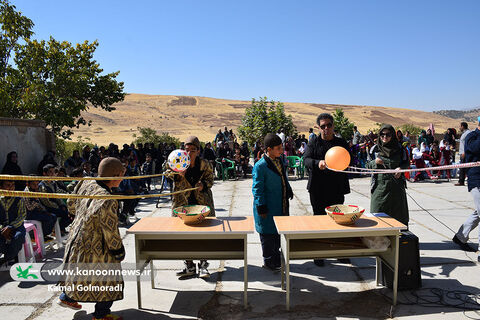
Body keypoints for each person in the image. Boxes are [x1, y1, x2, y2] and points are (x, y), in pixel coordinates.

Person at [57, 157, 126, 320]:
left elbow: (71, 202)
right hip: (96, 244)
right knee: (107, 279)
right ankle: (101, 314)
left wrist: (76, 214)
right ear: (115, 176)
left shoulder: (86, 182)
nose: (123, 178)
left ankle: (67, 297)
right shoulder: (107, 200)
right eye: (122, 174)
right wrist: (118, 250)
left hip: (76, 238)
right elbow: (110, 230)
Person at [304, 113, 350, 267]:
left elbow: (349, 158)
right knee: (319, 220)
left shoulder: (341, 142)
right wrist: (318, 163)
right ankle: (319, 253)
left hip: (336, 188)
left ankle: (339, 252)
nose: (326, 129)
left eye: (329, 125)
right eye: (323, 126)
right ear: (319, 127)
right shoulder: (313, 142)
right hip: (318, 189)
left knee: (338, 221)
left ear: (333, 126)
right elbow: (306, 160)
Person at [172, 136, 215, 278]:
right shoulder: (176, 162)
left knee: (203, 235)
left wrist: (203, 185)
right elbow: (167, 174)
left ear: (198, 151)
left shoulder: (205, 164)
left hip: (201, 204)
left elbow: (211, 179)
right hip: (182, 204)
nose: (189, 153)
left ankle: (203, 265)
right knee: (183, 236)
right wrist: (178, 175)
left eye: (192, 150)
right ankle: (189, 265)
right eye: (186, 149)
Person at [252, 134, 293, 271]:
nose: (281, 150)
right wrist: (261, 206)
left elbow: (282, 177)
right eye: (278, 148)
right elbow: (257, 188)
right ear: (268, 149)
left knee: (277, 234)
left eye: (281, 147)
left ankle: (276, 259)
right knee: (267, 235)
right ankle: (269, 261)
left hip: (279, 204)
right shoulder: (260, 166)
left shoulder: (279, 160)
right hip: (267, 207)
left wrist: (288, 188)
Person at [366, 124, 410, 226]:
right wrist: (374, 162)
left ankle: (398, 240)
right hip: (380, 187)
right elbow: (366, 166)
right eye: (382, 135)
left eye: (388, 135)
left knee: (399, 215)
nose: (385, 137)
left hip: (397, 187)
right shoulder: (375, 149)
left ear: (393, 135)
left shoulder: (400, 149)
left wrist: (401, 169)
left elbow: (406, 163)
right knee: (378, 215)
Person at [453, 117, 480, 257]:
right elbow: (474, 149)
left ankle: (460, 237)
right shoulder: (472, 137)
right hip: (477, 180)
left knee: (478, 212)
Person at [39, 164, 71, 235]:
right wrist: (57, 207)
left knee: (69, 211)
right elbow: (46, 201)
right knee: (65, 213)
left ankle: (60, 228)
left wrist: (68, 195)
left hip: (56, 205)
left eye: (53, 172)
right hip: (48, 208)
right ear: (44, 174)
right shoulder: (42, 186)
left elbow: (58, 192)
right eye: (50, 172)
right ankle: (58, 230)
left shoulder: (53, 183)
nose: (52, 174)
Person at [0, 180, 26, 266]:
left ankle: (6, 258)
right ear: (1, 188)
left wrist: (10, 227)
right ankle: (10, 255)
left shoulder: (18, 198)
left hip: (16, 226)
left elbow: (22, 216)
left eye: (12, 185)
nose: (11, 187)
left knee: (18, 237)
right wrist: (2, 229)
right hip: (2, 227)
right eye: (8, 185)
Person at [456, 122, 471, 186]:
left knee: (464, 168)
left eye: (460, 126)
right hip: (462, 153)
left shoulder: (468, 133)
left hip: (464, 153)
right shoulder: (464, 133)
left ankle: (461, 181)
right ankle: (461, 181)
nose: (459, 127)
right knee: (462, 168)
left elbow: (467, 144)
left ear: (463, 126)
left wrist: (464, 152)